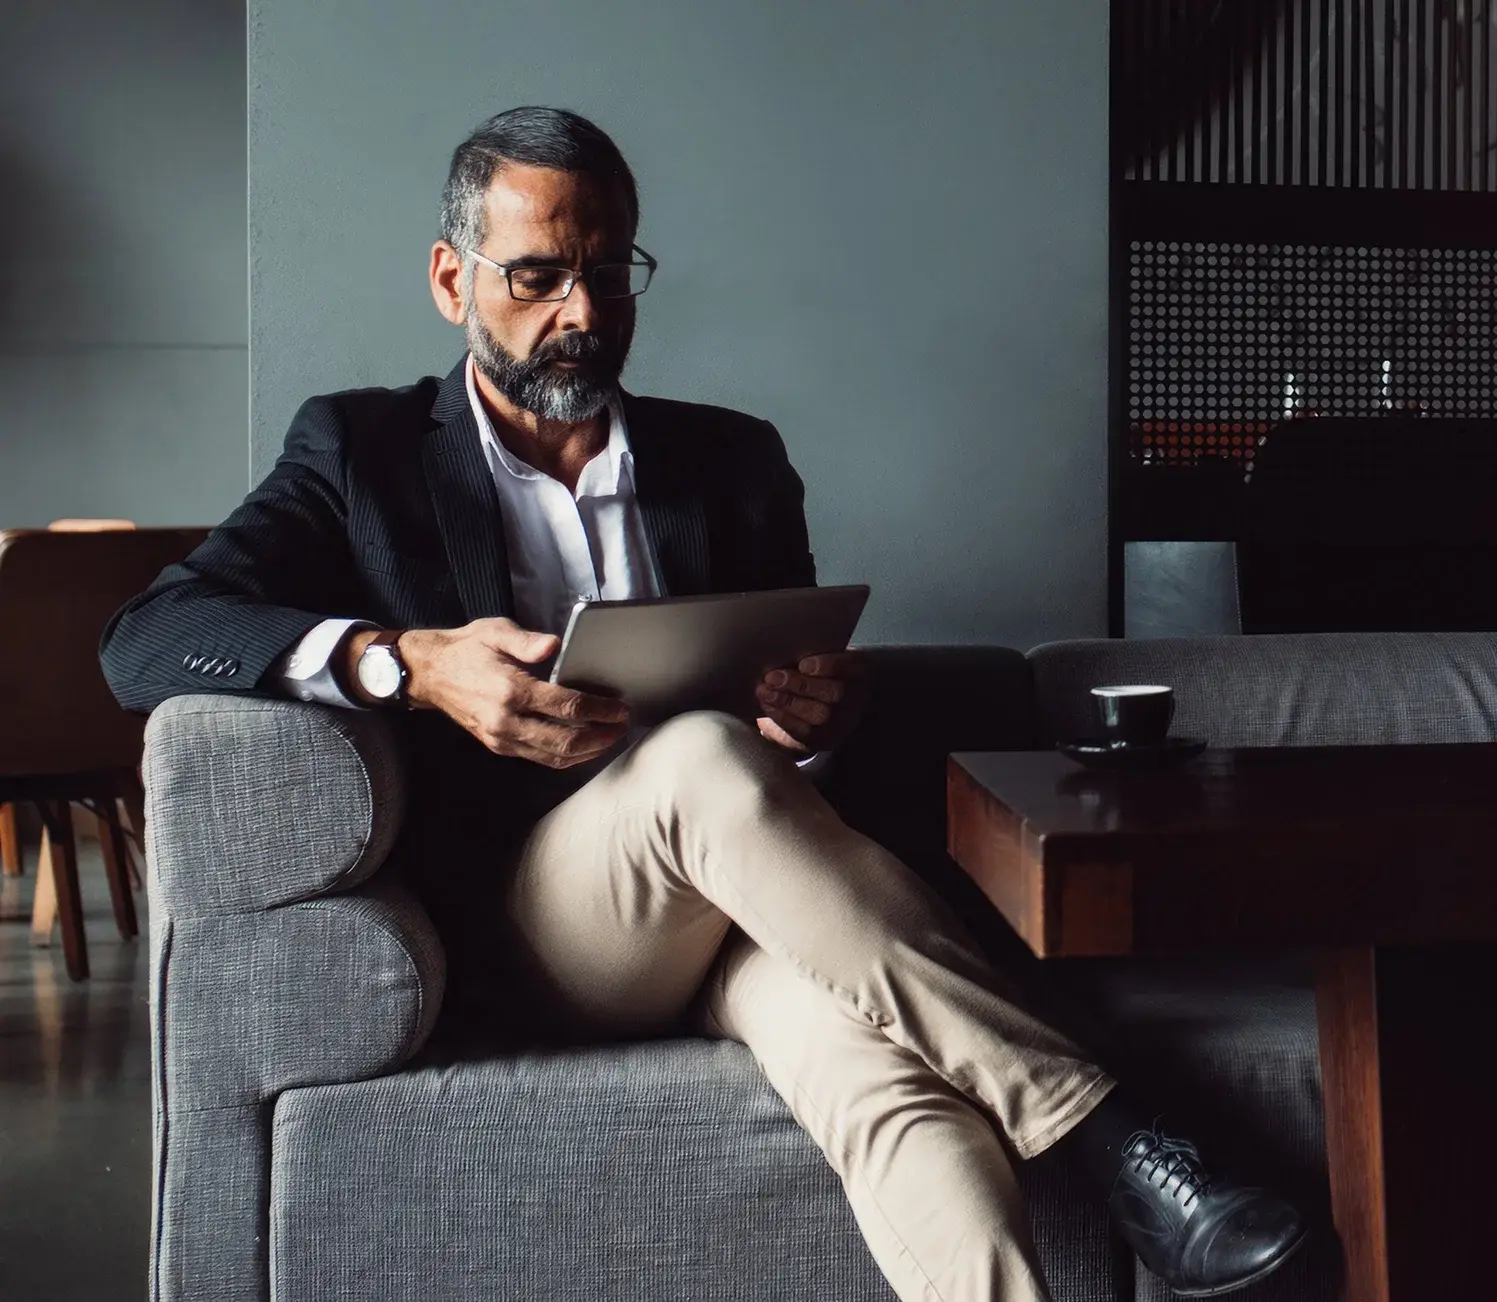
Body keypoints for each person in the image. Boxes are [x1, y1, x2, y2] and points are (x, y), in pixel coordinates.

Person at [100, 106, 1304, 1302]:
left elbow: (790, 743)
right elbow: (148, 638)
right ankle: (1106, 1130)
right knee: (700, 766)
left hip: (742, 911)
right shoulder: (360, 455)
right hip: (538, 940)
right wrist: (406, 661)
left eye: (607, 273)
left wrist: (811, 731)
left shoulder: (731, 462)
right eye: (535, 278)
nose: (580, 314)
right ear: (449, 278)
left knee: (884, 1081)